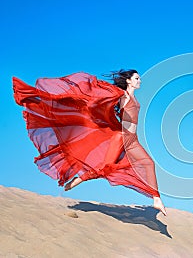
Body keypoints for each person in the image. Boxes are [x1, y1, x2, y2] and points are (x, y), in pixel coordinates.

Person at [12, 70, 167, 216]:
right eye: (136, 78)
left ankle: (155, 198)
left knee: (147, 163)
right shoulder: (122, 96)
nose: (140, 80)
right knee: (105, 168)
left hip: (132, 139)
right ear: (128, 81)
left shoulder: (133, 98)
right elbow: (97, 100)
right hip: (120, 137)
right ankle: (78, 180)